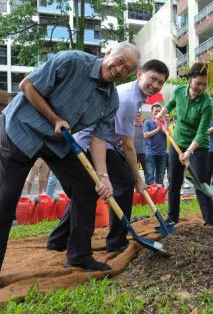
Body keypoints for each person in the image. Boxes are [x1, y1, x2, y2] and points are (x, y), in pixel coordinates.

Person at [0, 42, 140, 297]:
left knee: (86, 188)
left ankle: (79, 255)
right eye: (120, 60)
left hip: (58, 143)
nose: (120, 68)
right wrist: (55, 118)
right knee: (2, 199)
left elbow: (99, 139)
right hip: (20, 131)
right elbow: (27, 86)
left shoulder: (110, 100)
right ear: (108, 52)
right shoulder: (71, 61)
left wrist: (103, 177)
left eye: (128, 68)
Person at [48, 59, 169, 253]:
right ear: (139, 74)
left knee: (89, 192)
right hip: (90, 143)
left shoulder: (134, 94)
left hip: (104, 142)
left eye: (160, 83)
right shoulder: (129, 99)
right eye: (152, 79)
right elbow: (129, 146)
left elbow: (120, 136)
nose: (155, 85)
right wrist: (138, 179)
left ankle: (57, 239)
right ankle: (117, 241)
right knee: (124, 182)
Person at [156, 62, 213, 226]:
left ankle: (210, 222)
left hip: (198, 146)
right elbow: (171, 103)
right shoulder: (179, 91)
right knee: (174, 181)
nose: (201, 87)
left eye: (205, 85)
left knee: (200, 183)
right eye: (198, 83)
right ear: (190, 80)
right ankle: (172, 219)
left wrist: (189, 152)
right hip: (177, 141)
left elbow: (202, 132)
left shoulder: (207, 103)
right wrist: (162, 113)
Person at [143, 104, 167, 185]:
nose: (158, 113)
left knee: (161, 174)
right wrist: (158, 129)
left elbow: (168, 134)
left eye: (159, 111)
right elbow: (145, 135)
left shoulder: (164, 122)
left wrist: (164, 124)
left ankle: (159, 193)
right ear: (151, 112)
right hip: (150, 153)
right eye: (156, 111)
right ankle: (150, 194)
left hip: (162, 153)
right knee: (149, 174)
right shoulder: (148, 122)